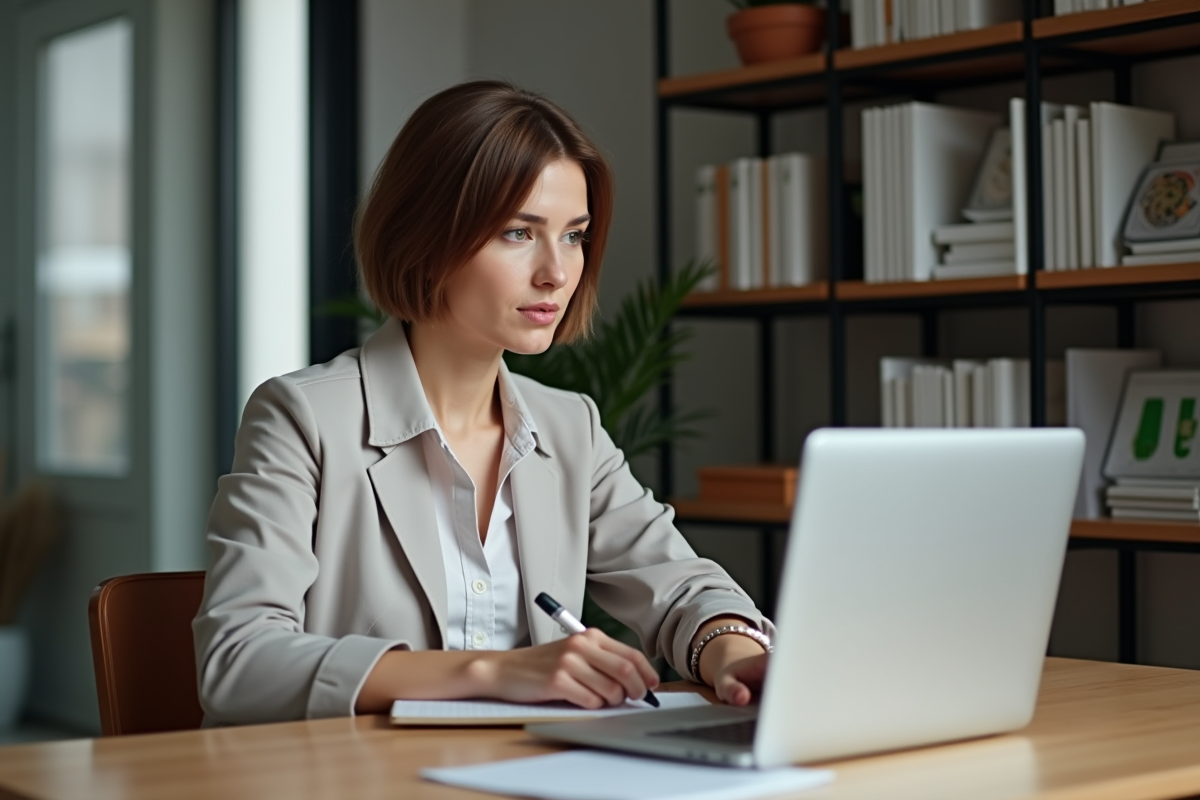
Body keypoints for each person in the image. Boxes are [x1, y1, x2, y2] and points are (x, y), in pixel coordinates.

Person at [193, 80, 774, 725]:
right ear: (428, 235)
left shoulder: (569, 426)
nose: (556, 271)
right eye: (518, 233)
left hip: (529, 776)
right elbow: (238, 661)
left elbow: (680, 586)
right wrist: (495, 673)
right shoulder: (302, 418)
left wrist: (732, 652)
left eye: (575, 236)